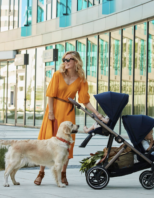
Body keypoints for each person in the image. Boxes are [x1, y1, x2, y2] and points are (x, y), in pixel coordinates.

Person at [34, 51, 104, 186]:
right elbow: (50, 95)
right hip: (53, 110)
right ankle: (41, 172)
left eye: (68, 60)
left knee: (66, 143)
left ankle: (63, 174)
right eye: (64, 60)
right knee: (46, 141)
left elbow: (85, 100)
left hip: (68, 112)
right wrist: (51, 112)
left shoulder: (81, 80)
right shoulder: (57, 75)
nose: (65, 62)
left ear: (76, 62)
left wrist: (97, 113)